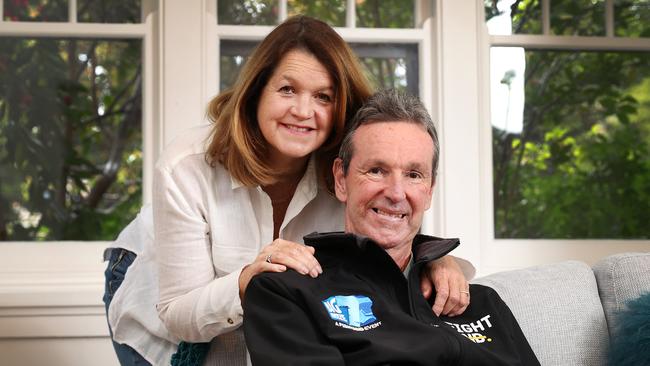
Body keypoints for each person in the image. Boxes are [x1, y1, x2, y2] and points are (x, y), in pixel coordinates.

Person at [103, 16, 474, 366]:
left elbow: (389, 231)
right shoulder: (187, 165)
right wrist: (247, 279)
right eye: (287, 89)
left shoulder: (351, 167)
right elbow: (178, 316)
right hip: (158, 297)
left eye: (323, 97)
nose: (302, 110)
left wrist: (433, 259)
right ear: (256, 92)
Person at [243, 89, 539, 365]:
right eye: (376, 170)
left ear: (430, 189)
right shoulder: (287, 292)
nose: (396, 193)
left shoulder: (481, 303)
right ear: (341, 180)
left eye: (413, 174)